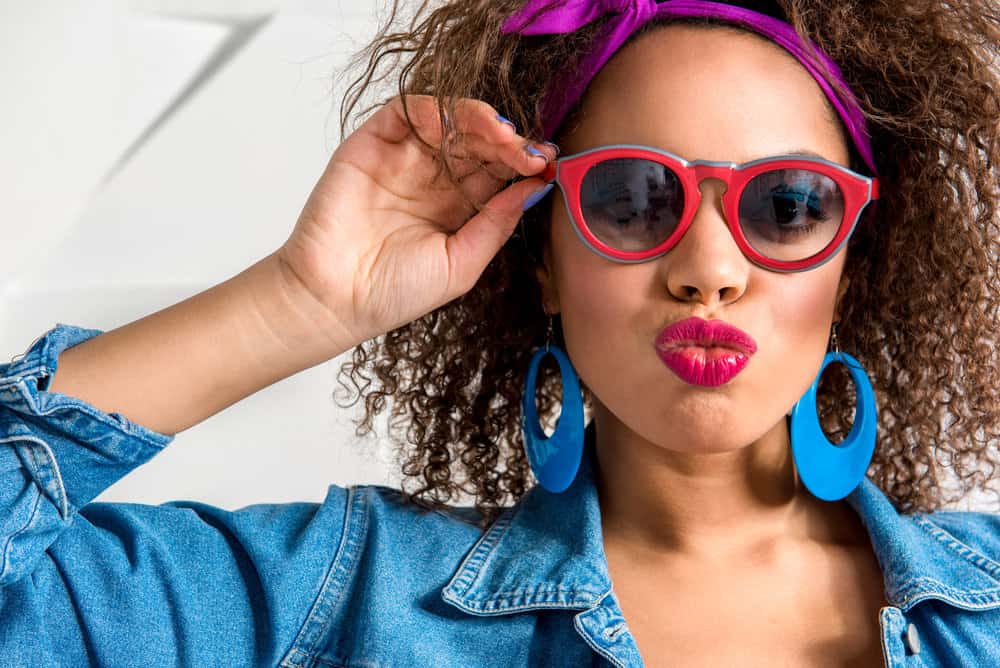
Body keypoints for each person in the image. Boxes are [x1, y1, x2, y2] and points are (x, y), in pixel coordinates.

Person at [1, 0, 998, 665]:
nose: (708, 267)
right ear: (538, 261)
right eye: (634, 197)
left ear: (849, 263)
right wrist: (298, 300)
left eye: (784, 206)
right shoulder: (343, 598)